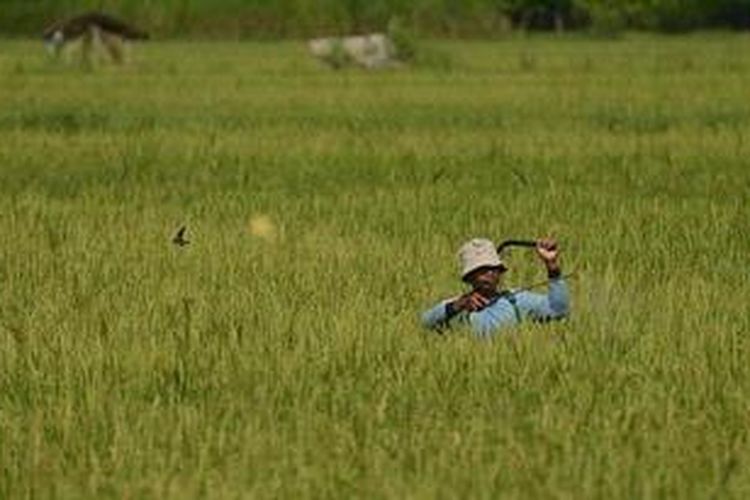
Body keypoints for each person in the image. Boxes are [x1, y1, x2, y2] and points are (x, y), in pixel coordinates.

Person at [421, 237, 569, 337]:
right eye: (482, 269)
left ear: (500, 272)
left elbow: (559, 310)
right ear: (469, 277)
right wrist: (459, 305)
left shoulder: (516, 300)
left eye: (493, 268)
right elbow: (425, 322)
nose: (489, 273)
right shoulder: (458, 307)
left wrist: (552, 266)